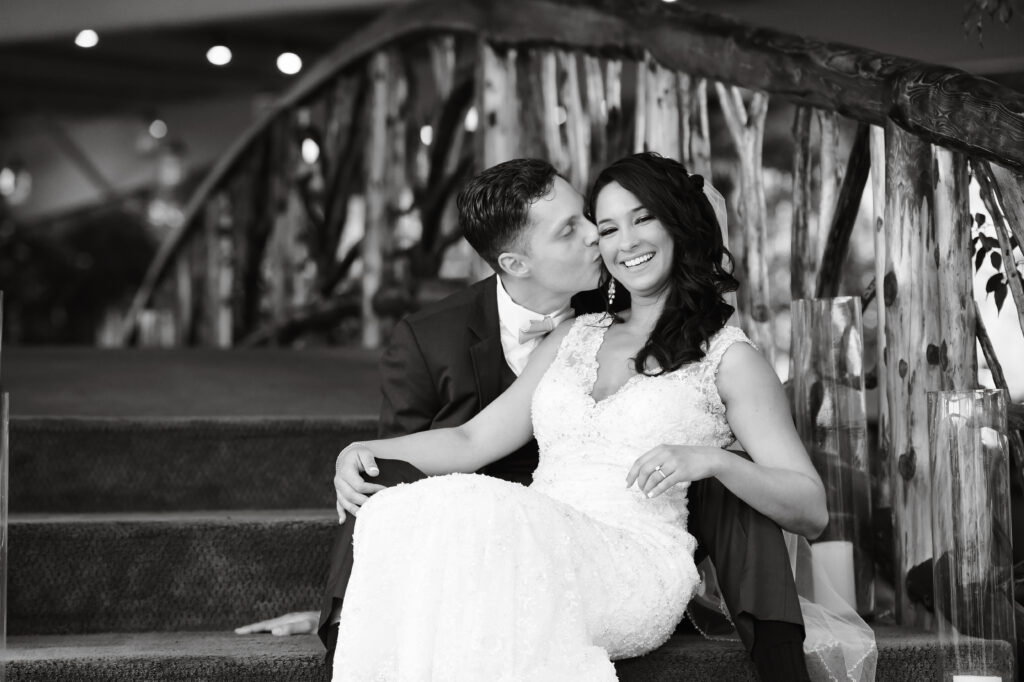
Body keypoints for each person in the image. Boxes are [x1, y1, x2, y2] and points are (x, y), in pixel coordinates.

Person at [326, 153, 876, 681]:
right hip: (542, 536)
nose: (621, 241)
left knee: (479, 515)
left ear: (679, 225)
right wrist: (364, 454)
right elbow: (472, 439)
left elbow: (810, 508)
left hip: (635, 566)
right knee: (410, 509)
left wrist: (713, 461)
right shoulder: (575, 334)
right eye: (607, 227)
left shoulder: (730, 359)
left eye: (643, 219)